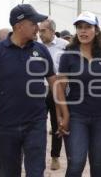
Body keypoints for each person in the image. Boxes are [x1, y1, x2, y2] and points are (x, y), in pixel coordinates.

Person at [0, 4, 69, 177]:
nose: (37, 28)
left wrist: (64, 114)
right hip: (5, 125)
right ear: (19, 26)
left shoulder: (40, 50)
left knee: (35, 171)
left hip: (36, 123)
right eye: (34, 23)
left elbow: (55, 84)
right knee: (9, 172)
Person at [58, 11, 101, 177]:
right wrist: (64, 116)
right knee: (76, 162)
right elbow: (59, 88)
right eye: (79, 27)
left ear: (97, 30)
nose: (83, 31)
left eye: (88, 27)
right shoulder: (69, 53)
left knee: (97, 162)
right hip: (77, 115)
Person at [38, 18, 68, 170]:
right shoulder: (35, 46)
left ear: (51, 30)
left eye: (43, 30)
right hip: (37, 91)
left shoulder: (64, 46)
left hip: (57, 90)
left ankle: (55, 157)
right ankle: (38, 156)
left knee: (57, 123)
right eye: (39, 30)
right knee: (37, 125)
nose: (40, 34)